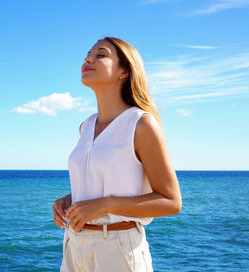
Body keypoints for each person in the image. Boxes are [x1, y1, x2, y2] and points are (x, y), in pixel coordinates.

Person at [52, 37, 182, 272]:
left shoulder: (141, 124)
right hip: (74, 245)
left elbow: (171, 202)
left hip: (118, 249)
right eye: (88, 54)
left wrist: (104, 205)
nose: (88, 58)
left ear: (124, 70)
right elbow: (108, 182)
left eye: (100, 54)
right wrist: (72, 199)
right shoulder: (86, 126)